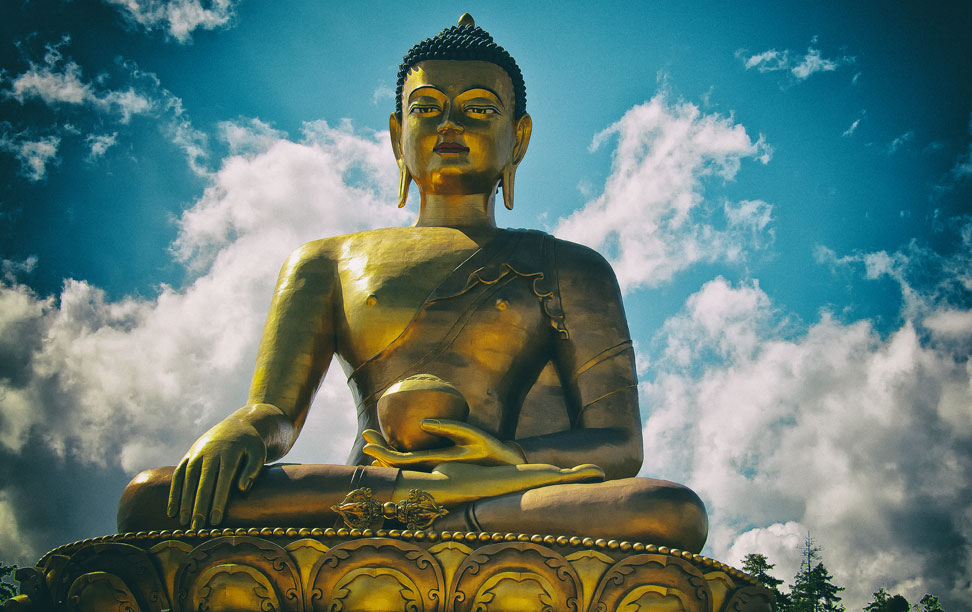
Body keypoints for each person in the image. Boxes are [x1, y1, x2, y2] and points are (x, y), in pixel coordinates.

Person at [117, 15, 708, 552]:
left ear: (519, 137)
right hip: (370, 484)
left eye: (479, 109)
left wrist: (507, 456)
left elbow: (618, 443)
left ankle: (430, 509)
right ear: (397, 134)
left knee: (667, 511)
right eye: (427, 108)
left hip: (504, 488)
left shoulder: (570, 267)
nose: (450, 123)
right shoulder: (326, 261)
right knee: (151, 499)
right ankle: (435, 509)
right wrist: (244, 430)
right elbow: (274, 411)